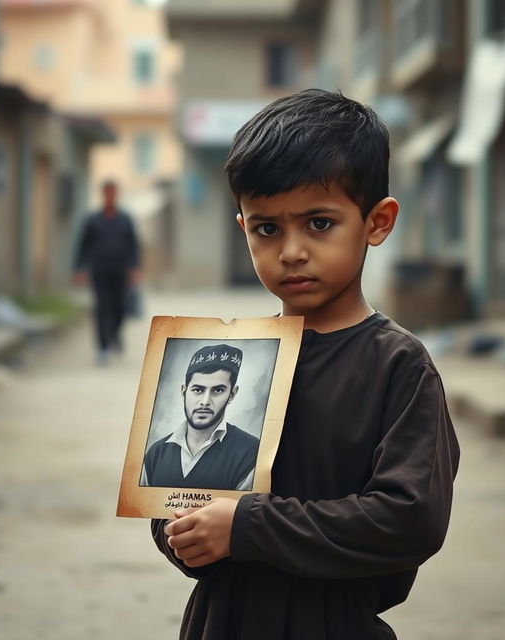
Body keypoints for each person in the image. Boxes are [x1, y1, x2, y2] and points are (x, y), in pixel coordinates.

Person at [152, 89, 460, 640]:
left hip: (334, 625)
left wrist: (247, 527)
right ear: (243, 226)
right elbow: (174, 497)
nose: (291, 250)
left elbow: (410, 517)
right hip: (222, 622)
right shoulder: (234, 359)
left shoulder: (397, 365)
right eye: (267, 228)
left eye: (319, 223)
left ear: (377, 222)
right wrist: (183, 531)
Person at [141, 344, 259, 490]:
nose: (205, 401)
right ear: (184, 391)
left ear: (232, 394)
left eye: (218, 390)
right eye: (197, 390)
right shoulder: (156, 453)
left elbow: (245, 511)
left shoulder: (251, 453)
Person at [73, 180, 140, 364]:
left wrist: (134, 267)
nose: (110, 196)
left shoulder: (125, 219)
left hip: (120, 270)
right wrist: (79, 268)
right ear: (103, 194)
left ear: (116, 194)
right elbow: (83, 246)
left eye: (113, 192)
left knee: (119, 307)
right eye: (107, 192)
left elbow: (133, 246)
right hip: (99, 270)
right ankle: (102, 348)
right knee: (102, 308)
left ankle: (114, 333)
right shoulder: (93, 220)